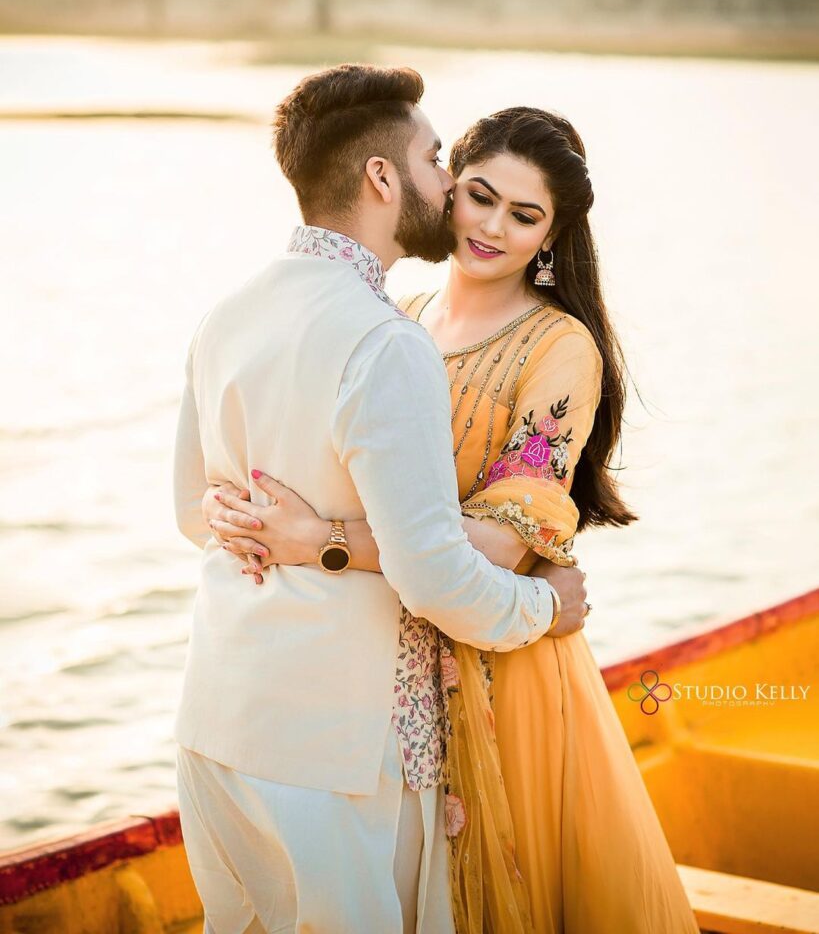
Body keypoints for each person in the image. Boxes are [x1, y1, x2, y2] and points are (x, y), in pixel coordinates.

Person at [207, 106, 699, 933]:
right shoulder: (395, 316)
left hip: (499, 656)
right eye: (479, 196)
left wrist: (312, 543)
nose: (492, 228)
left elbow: (499, 544)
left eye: (524, 216)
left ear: (551, 237)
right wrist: (245, 514)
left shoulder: (557, 347)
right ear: (445, 188)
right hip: (381, 655)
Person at [173, 67, 588, 934]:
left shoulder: (230, 313)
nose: (447, 187)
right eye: (438, 161)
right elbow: (433, 575)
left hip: (216, 718)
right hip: (335, 741)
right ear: (380, 178)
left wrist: (284, 533)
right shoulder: (385, 339)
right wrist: (543, 606)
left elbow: (192, 512)